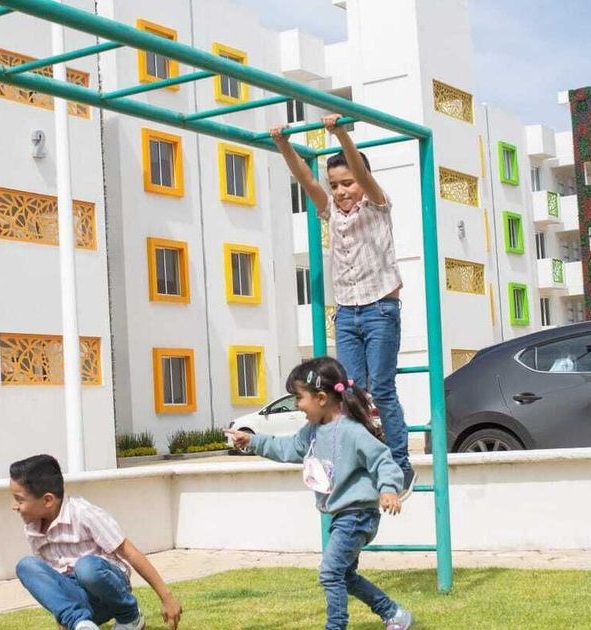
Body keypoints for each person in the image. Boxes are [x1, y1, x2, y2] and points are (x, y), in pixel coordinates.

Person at [270, 114, 415, 497]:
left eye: (347, 183)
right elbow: (306, 179)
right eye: (335, 185)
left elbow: (362, 175)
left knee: (382, 388)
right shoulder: (331, 212)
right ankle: (365, 460)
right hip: (347, 314)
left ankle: (401, 465)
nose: (341, 191)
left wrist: (340, 134)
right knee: (352, 391)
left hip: (380, 309)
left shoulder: (377, 205)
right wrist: (283, 144)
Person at [225, 357, 414, 630]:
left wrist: (388, 489)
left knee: (330, 572)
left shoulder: (352, 431)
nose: (297, 405)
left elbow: (383, 460)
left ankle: (335, 626)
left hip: (358, 515)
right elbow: (287, 448)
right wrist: (253, 441)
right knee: (344, 576)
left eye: (299, 398)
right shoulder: (312, 432)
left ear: (321, 398)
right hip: (342, 516)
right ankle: (394, 614)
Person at [9, 454, 182, 630]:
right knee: (26, 566)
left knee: (86, 568)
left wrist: (166, 598)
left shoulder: (83, 513)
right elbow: (52, 580)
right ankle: (81, 623)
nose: (14, 506)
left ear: (48, 500)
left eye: (19, 500)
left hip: (109, 590)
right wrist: (65, 618)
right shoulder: (32, 529)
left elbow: (130, 552)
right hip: (82, 602)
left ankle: (130, 617)